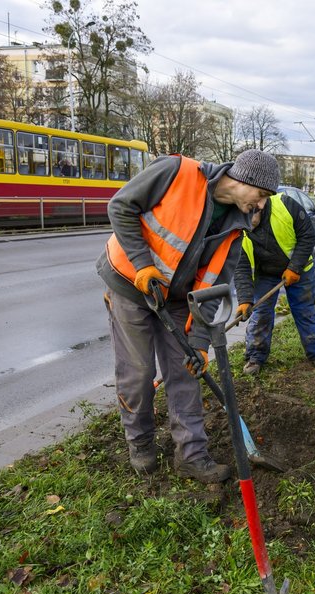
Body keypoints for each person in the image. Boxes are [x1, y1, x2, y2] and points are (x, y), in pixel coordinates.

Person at [96, 149, 280, 482]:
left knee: (185, 374)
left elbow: (211, 289)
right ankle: (140, 443)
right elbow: (121, 206)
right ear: (243, 179)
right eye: (262, 195)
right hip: (129, 283)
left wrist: (198, 344)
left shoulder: (236, 229)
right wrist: (142, 265)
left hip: (179, 299)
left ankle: (192, 456)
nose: (261, 204)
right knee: (138, 373)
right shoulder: (176, 172)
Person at [234, 191, 315, 376]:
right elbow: (241, 267)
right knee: (260, 314)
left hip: (300, 270)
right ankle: (255, 357)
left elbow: (308, 235)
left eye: (251, 219)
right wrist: (245, 300)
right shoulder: (239, 229)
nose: (248, 226)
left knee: (305, 311)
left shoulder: (285, 205)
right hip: (266, 273)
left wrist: (295, 267)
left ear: (259, 206)